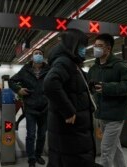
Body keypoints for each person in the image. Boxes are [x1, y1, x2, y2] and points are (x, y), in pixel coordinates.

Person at [43, 29, 98, 167]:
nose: (84, 49)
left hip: (73, 131)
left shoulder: (72, 63)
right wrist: (68, 110)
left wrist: (87, 86)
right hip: (71, 131)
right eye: (82, 46)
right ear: (72, 44)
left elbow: (71, 86)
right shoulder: (64, 61)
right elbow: (50, 83)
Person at [87, 33, 127, 167]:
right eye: (95, 45)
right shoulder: (94, 68)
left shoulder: (120, 66)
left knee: (106, 150)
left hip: (115, 115)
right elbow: (90, 87)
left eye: (100, 46)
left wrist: (106, 88)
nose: (96, 48)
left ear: (108, 48)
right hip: (102, 115)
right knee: (115, 147)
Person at [8, 49, 50, 167]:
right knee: (31, 134)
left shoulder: (48, 70)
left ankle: (38, 155)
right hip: (30, 108)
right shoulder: (25, 70)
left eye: (40, 54)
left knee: (42, 135)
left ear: (43, 57)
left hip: (45, 108)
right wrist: (19, 89)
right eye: (36, 54)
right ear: (32, 57)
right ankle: (31, 158)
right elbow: (11, 81)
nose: (38, 55)